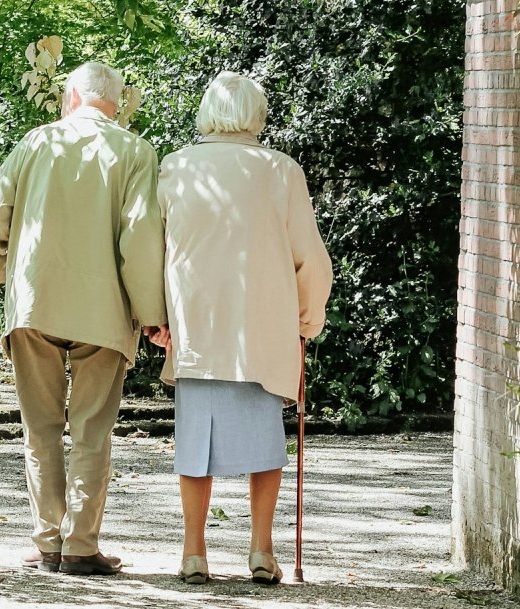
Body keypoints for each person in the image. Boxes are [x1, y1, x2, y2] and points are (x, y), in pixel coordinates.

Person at [0, 61, 168, 576]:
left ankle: (47, 542)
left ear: (72, 97)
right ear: (116, 104)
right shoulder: (136, 152)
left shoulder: (36, 142)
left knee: (40, 428)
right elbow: (140, 238)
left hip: (35, 302)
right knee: (91, 431)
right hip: (103, 310)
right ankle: (80, 545)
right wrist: (152, 314)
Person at [153, 71, 333, 585]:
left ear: (207, 113)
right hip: (263, 327)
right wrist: (308, 319)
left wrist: (156, 317)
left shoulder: (176, 167)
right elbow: (310, 259)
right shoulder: (281, 171)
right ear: (258, 115)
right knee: (265, 443)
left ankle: (193, 552)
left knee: (194, 444)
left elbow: (153, 249)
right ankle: (261, 549)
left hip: (197, 325)